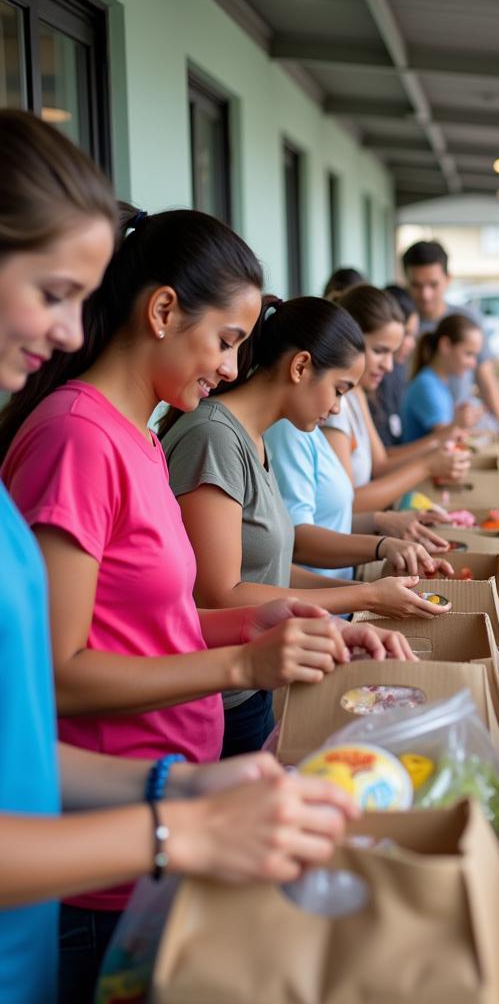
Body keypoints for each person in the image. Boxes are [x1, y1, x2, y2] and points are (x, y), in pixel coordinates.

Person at [0, 110, 366, 1004]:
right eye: (52, 294)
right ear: (164, 310)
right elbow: (62, 675)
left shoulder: (136, 435)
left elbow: (138, 627)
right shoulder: (77, 438)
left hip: (114, 835)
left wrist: (259, 623)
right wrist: (177, 813)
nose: (62, 329)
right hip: (88, 871)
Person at [159, 293, 425, 755]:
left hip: (251, 685)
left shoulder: (253, 438)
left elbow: (271, 570)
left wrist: (367, 597)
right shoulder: (214, 437)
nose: (340, 408)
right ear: (301, 367)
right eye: (340, 389)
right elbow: (222, 594)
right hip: (216, 692)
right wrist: (363, 596)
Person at [319, 283, 470, 518]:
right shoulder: (333, 408)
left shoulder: (357, 394)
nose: (389, 366)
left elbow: (380, 464)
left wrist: (436, 447)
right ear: (349, 341)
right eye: (379, 351)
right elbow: (348, 504)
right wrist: (427, 465)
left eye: (392, 353)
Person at [401, 240, 499, 456]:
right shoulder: (399, 324)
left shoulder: (468, 320)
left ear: (448, 280)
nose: (425, 294)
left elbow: (486, 377)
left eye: (433, 284)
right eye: (416, 285)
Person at [401, 312, 484, 444]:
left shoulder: (437, 382)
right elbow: (444, 440)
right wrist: (461, 423)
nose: (473, 363)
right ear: (445, 345)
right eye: (469, 354)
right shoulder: (427, 385)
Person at [368, 283, 418, 445]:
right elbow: (380, 462)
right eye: (407, 334)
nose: (412, 344)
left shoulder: (397, 371)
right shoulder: (366, 385)